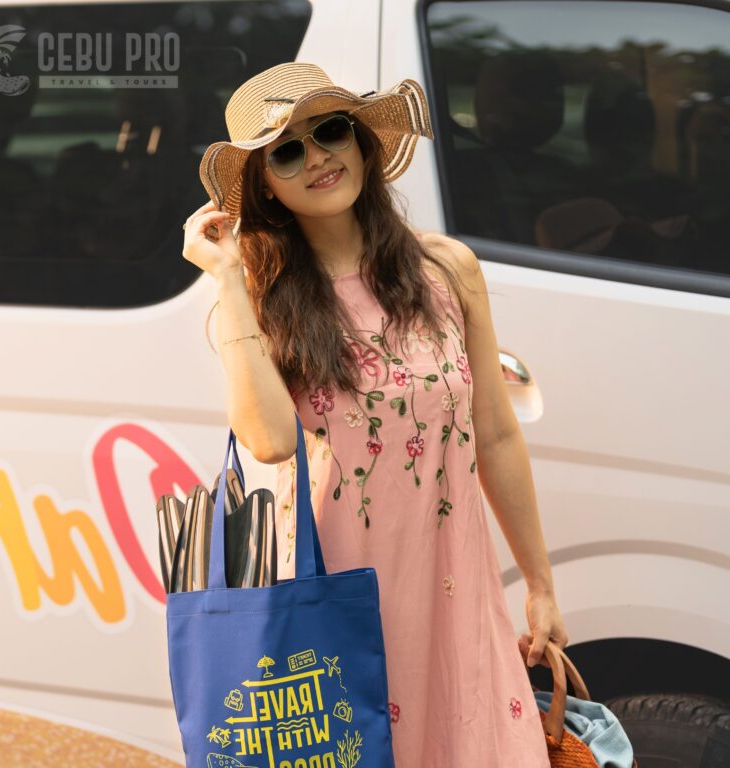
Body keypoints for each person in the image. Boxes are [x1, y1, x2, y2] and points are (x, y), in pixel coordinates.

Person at [182, 61, 567, 766]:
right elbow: (267, 442)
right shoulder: (262, 302)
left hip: (457, 591)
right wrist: (229, 278)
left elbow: (495, 433)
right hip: (340, 600)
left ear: (360, 141)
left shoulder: (447, 269)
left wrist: (540, 586)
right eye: (286, 151)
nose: (316, 157)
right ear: (265, 185)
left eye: (329, 130)